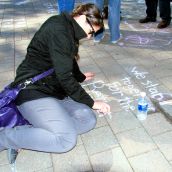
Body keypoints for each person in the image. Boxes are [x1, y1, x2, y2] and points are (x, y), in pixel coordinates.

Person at [0, 3, 110, 163]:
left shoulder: (69, 29)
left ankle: (40, 128)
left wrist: (80, 77)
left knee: (88, 120)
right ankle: (6, 137)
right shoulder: (59, 30)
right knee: (66, 140)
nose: (89, 37)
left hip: (53, 92)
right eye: (92, 31)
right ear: (82, 18)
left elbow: (68, 60)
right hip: (33, 92)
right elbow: (65, 77)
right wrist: (92, 102)